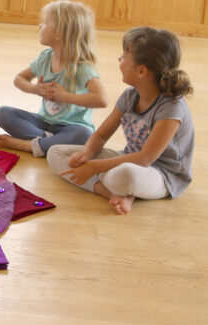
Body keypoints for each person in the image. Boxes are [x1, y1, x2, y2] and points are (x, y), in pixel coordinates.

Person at [47, 27, 194, 215]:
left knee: (125, 175)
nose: (119, 60)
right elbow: (101, 135)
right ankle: (112, 194)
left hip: (161, 174)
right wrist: (87, 153)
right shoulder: (130, 95)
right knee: (55, 152)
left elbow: (145, 158)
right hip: (128, 158)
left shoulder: (172, 108)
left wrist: (93, 167)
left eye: (124, 57)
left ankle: (120, 188)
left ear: (142, 71)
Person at [0, 0, 108, 156]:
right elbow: (19, 79)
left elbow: (102, 99)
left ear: (59, 33)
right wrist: (34, 89)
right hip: (44, 124)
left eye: (45, 23)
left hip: (72, 127)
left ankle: (28, 145)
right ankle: (47, 142)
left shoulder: (82, 67)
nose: (40, 26)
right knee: (3, 113)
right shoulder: (45, 58)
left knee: (84, 135)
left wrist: (65, 96)